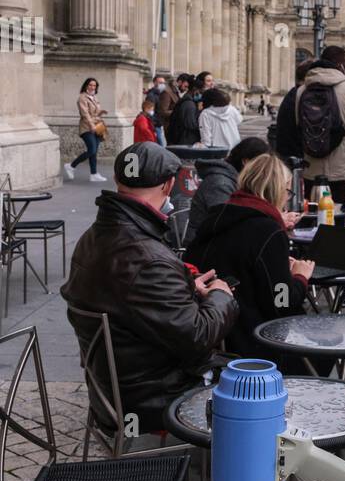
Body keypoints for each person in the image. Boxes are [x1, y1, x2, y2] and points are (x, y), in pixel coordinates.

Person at [61, 144, 237, 433]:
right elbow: (199, 336)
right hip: (152, 398)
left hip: (113, 388)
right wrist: (220, 295)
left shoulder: (93, 236)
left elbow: (126, 295)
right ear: (168, 184)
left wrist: (183, 286)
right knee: (255, 382)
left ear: (119, 181)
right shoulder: (147, 256)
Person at [186, 153, 313, 361]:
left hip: (212, 334)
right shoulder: (268, 231)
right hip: (254, 344)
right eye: (287, 192)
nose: (287, 198)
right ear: (278, 191)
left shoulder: (218, 215)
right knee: (327, 345)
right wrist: (300, 277)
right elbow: (281, 303)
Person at [294, 45, 345, 206]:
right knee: (344, 220)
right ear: (342, 65)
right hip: (343, 171)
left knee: (313, 220)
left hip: (311, 170)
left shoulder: (302, 91)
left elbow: (298, 126)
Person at [187, 135, 270, 241]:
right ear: (246, 162)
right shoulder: (220, 184)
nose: (264, 172)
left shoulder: (236, 180)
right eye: (261, 166)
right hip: (205, 247)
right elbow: (227, 224)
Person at [64, 78, 108, 183]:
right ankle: (71, 165)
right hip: (86, 127)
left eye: (94, 85)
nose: (92, 87)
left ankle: (94, 174)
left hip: (97, 126)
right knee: (91, 150)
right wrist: (92, 125)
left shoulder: (94, 97)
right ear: (86, 85)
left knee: (94, 152)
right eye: (90, 85)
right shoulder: (82, 98)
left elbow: (94, 112)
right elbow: (85, 114)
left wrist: (101, 112)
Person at [166, 74, 200, 146]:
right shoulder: (189, 104)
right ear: (195, 90)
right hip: (184, 142)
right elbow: (191, 125)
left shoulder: (187, 101)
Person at [145, 74, 171, 146]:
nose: (162, 85)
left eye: (163, 83)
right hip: (156, 124)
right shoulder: (152, 95)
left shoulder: (160, 94)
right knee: (161, 145)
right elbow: (149, 111)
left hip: (159, 123)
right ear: (154, 83)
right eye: (160, 82)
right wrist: (154, 123)